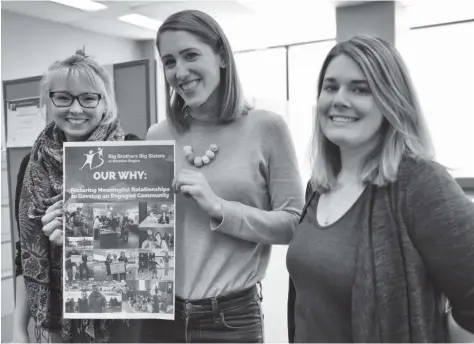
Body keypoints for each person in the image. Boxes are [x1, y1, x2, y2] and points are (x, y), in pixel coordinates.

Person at [286, 35, 474, 343]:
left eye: (360, 89)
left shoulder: (420, 183)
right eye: (330, 87)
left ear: (391, 99)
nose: (339, 99)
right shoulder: (319, 185)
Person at [143, 9, 303, 343]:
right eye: (169, 61)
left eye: (191, 56)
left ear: (221, 56)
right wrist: (83, 231)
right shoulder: (157, 136)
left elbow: (293, 223)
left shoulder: (265, 127)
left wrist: (220, 208)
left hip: (229, 318)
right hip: (160, 312)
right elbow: (143, 229)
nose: (180, 72)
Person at [15, 49, 141, 343]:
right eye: (63, 97)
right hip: (53, 320)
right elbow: (26, 253)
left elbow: (147, 245)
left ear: (104, 101)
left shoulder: (131, 153)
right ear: (50, 100)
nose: (75, 109)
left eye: (88, 98)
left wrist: (80, 241)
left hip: (122, 319)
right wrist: (17, 330)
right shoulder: (33, 163)